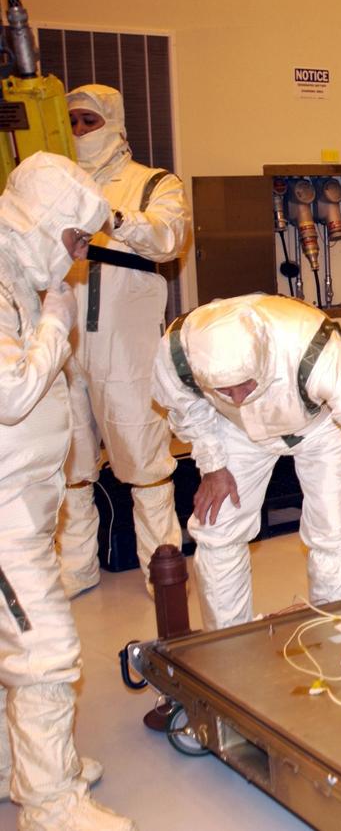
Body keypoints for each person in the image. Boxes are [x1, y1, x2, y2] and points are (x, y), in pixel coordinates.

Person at [0, 152, 135, 830]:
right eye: (75, 240)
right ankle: (50, 807)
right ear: (45, 221)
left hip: (21, 500)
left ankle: (20, 767)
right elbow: (13, 391)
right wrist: (57, 320)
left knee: (13, 644)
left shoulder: (19, 274)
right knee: (44, 645)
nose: (79, 257)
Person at [152, 294, 341, 630]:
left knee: (334, 533)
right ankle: (226, 643)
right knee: (217, 532)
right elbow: (184, 407)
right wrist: (213, 465)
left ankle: (333, 631)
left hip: (320, 427)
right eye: (224, 391)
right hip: (237, 431)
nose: (237, 397)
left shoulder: (313, 347)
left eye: (245, 385)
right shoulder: (179, 351)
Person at [57, 84, 192, 598]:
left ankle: (163, 566)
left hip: (127, 349)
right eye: (71, 122)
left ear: (113, 123)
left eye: (89, 121)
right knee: (71, 463)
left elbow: (169, 237)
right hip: (65, 347)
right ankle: (77, 566)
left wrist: (112, 220)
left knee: (144, 459)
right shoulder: (57, 182)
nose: (80, 132)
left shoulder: (153, 183)